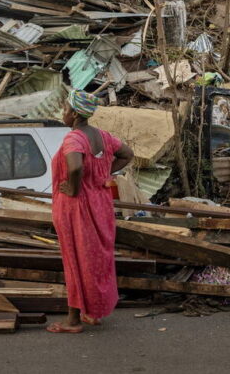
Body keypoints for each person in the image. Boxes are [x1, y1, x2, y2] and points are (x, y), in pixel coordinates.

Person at [47, 90, 134, 333]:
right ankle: (92, 312)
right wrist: (103, 174)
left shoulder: (74, 138)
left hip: (77, 208)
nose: (63, 113)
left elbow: (74, 167)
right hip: (100, 204)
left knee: (75, 260)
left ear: (75, 114)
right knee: (96, 260)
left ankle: (73, 321)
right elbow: (127, 154)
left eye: (65, 109)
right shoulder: (103, 137)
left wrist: (74, 188)